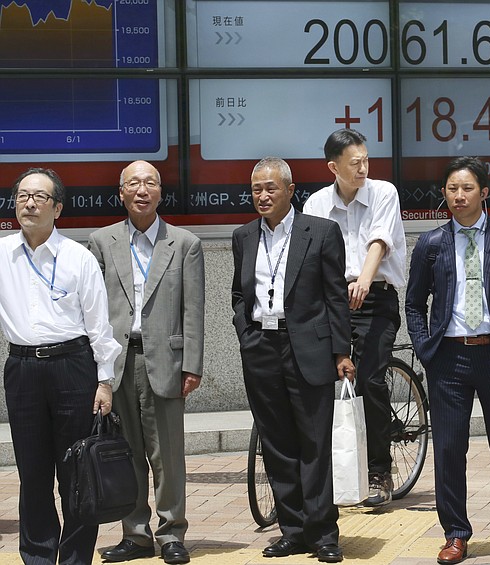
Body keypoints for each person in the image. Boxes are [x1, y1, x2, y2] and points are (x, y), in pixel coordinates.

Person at [405, 157, 490, 565]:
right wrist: (426, 350)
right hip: (448, 358)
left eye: (466, 189)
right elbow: (413, 304)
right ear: (443, 194)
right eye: (451, 189)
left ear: (484, 193)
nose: (458, 196)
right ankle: (455, 534)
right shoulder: (431, 244)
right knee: (448, 450)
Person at [232, 157, 354, 563]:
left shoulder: (320, 232)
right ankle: (292, 530)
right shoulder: (243, 236)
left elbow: (335, 296)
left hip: (309, 347)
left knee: (314, 443)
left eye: (270, 188)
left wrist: (342, 351)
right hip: (261, 348)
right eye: (256, 190)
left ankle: (322, 533)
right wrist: (246, 334)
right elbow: (239, 294)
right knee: (276, 443)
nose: (262, 196)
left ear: (289, 189)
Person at [0, 168, 122, 564]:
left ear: (58, 208)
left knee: (76, 472)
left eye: (39, 196)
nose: (29, 202)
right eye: (22, 196)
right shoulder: (2, 255)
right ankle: (36, 556)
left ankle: (73, 558)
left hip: (73, 367)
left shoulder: (78, 258)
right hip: (22, 369)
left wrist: (104, 382)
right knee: (32, 474)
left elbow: (99, 326)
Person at [88, 160, 205, 564]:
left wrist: (193, 364)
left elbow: (194, 310)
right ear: (120, 193)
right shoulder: (101, 242)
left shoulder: (185, 243)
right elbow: (93, 309)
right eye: (133, 184)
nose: (142, 190)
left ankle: (172, 533)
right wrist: (97, 368)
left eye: (150, 183)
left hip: (166, 361)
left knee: (167, 455)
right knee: (126, 452)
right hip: (118, 361)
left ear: (160, 192)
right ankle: (135, 534)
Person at [303, 128, 406, 506]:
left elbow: (380, 239)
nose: (363, 168)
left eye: (365, 160)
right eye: (354, 163)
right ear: (333, 167)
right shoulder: (315, 203)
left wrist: (363, 278)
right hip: (330, 301)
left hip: (375, 296)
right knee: (314, 380)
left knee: (370, 381)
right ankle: (324, 472)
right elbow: (310, 254)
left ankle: (379, 470)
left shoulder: (384, 192)